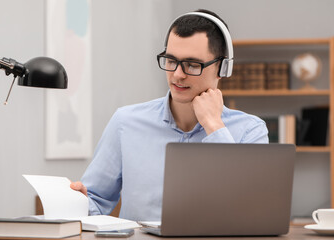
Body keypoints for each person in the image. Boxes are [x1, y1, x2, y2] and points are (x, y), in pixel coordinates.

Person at [71, 9, 269, 221]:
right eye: (171, 60)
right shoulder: (125, 122)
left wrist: (214, 125)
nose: (177, 74)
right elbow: (95, 201)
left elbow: (249, 208)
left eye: (192, 65)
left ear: (222, 67)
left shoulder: (250, 130)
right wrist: (76, 201)